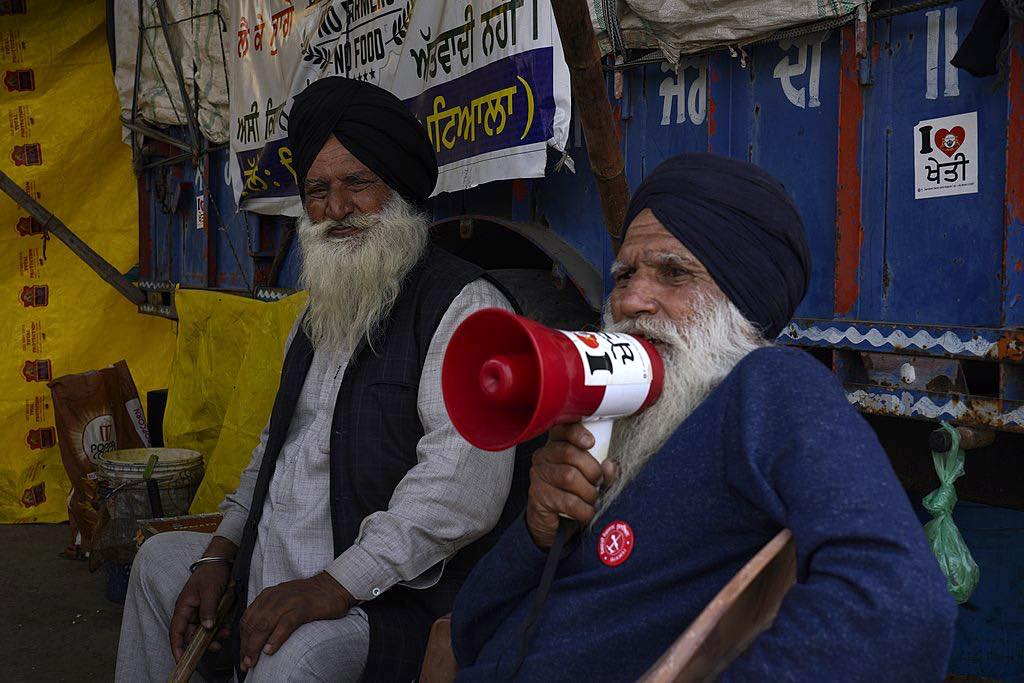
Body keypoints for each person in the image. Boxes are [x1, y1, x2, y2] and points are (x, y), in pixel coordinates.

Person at [451, 153, 958, 681]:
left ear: (742, 297)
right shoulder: (613, 429)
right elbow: (469, 633)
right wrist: (535, 536)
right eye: (624, 276)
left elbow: (899, 610)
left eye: (673, 273)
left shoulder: (769, 386)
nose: (631, 302)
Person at [116, 77, 523, 682]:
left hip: (390, 598)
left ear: (400, 190)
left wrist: (335, 585)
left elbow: (458, 494)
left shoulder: (468, 309)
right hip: (279, 564)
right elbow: (271, 454)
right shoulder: (315, 316)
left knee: (295, 655)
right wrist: (220, 552)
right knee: (157, 565)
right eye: (317, 191)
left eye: (357, 183)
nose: (335, 210)